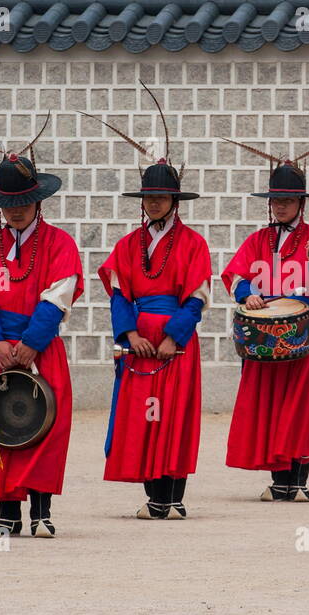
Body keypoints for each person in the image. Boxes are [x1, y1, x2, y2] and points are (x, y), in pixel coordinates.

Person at [0, 117, 84, 537]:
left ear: (38, 200)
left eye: (24, 200)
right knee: (2, 422)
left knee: (44, 424)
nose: (17, 208)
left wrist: (30, 343)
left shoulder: (60, 243)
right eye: (9, 202)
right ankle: (7, 511)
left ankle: (41, 512)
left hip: (39, 349)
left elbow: (59, 295)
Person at [90, 94, 212, 519]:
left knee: (172, 418)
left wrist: (172, 336)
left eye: (162, 197)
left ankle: (172, 497)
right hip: (140, 341)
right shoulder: (127, 244)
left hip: (174, 344)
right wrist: (130, 335)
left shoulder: (194, 244)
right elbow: (119, 294)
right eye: (149, 197)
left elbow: (196, 299)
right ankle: (152, 495)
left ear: (175, 200)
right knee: (144, 418)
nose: (154, 203)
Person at [220, 136, 309, 502]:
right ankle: (279, 479)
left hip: (304, 334)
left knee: (301, 406)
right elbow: (235, 277)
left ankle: (299, 478)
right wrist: (249, 294)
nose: (281, 206)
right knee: (271, 404)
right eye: (276, 200)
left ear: (301, 204)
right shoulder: (259, 239)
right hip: (264, 336)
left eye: (288, 200)